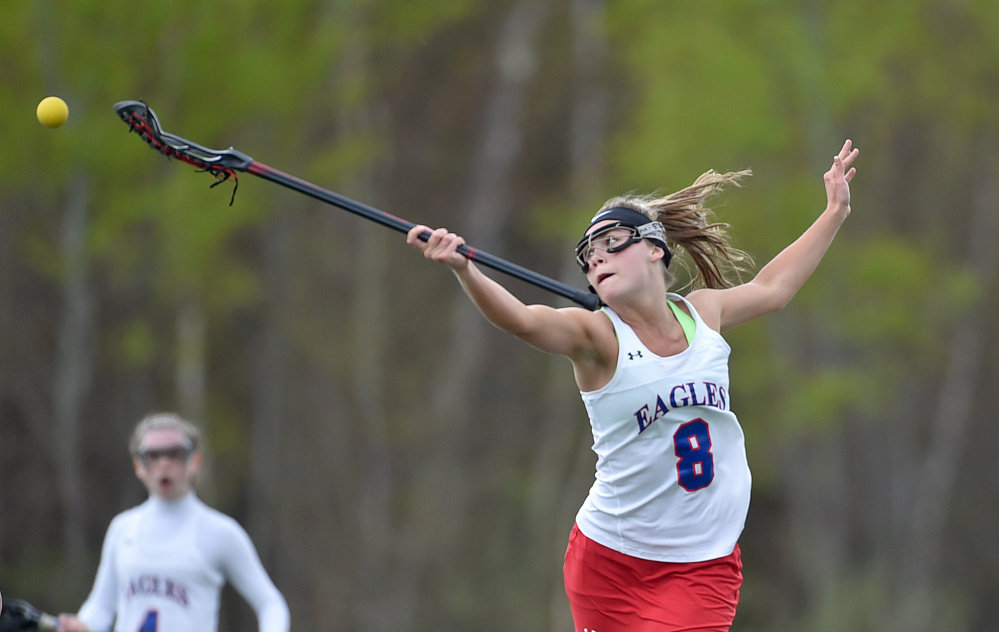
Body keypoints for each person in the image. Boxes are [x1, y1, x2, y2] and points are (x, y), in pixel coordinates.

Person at [406, 140, 859, 631]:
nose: (597, 259)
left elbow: (775, 288)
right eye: (588, 256)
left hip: (702, 564)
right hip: (609, 561)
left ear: (654, 249)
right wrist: (463, 268)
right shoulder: (596, 337)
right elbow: (522, 320)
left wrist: (834, 212)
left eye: (611, 243)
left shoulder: (703, 313)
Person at [58, 413, 290, 632]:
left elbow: (270, 603)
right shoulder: (122, 529)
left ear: (195, 461)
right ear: (138, 466)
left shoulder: (220, 532)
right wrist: (81, 625)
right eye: (153, 456)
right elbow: (102, 607)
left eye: (174, 454)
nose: (164, 464)